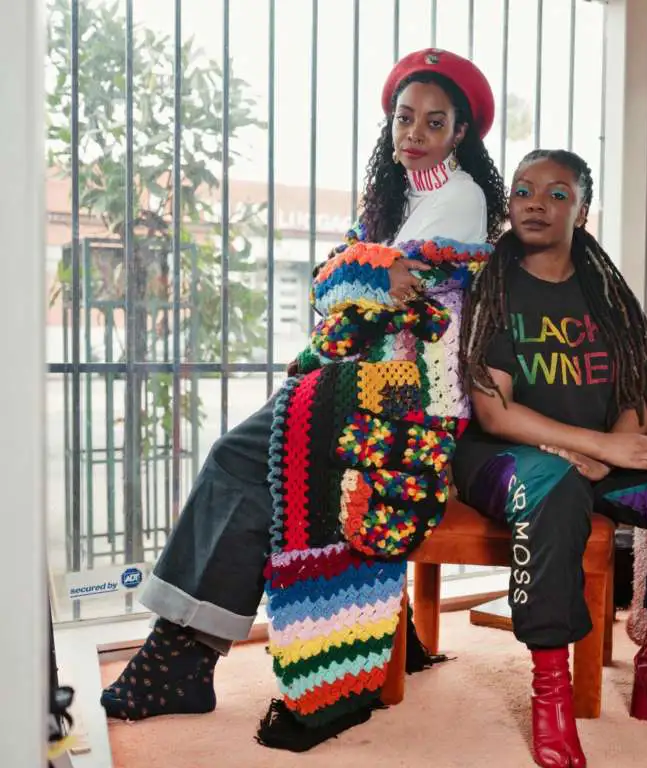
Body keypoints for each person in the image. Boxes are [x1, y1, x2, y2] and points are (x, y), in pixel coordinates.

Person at [100, 48, 507, 737]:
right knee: (264, 462)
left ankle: (182, 656)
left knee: (241, 458)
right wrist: (356, 273)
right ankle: (190, 653)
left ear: (460, 132)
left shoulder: (460, 194)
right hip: (363, 376)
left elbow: (386, 290)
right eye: (404, 118)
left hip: (409, 395)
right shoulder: (394, 198)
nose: (415, 132)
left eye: (434, 122)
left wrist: (352, 272)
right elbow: (340, 288)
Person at [455, 149, 647, 768]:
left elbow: (637, 396)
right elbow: (495, 413)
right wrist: (598, 447)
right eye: (524, 191)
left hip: (593, 463)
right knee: (553, 485)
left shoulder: (606, 293)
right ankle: (550, 693)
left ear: (582, 212)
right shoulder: (495, 288)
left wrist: (609, 453)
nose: (535, 203)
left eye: (557, 194)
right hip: (506, 459)